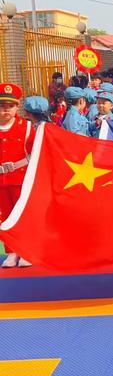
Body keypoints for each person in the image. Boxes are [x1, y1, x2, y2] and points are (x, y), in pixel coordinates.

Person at [0, 83, 35, 268]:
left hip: (21, 179)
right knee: (5, 217)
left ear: (17, 107)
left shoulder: (27, 127)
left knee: (22, 216)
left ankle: (26, 252)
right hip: (0, 182)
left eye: (10, 106)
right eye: (2, 106)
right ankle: (12, 252)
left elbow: (37, 153)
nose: (6, 110)